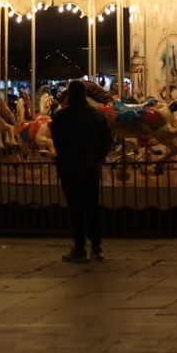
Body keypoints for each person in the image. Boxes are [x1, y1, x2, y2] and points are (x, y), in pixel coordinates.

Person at [49, 79, 112, 263]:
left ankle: (79, 248)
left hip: (70, 168)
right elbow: (107, 142)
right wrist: (94, 157)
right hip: (90, 168)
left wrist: (73, 157)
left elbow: (59, 142)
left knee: (75, 208)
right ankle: (97, 247)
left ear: (70, 94)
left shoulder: (61, 116)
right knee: (92, 207)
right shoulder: (98, 116)